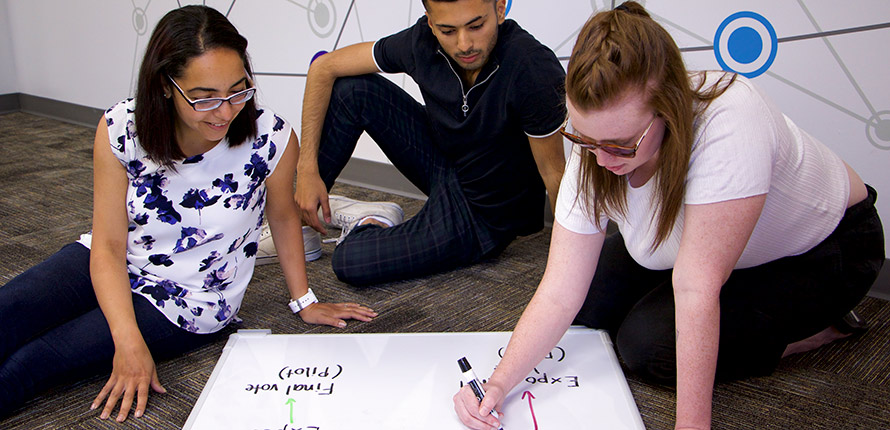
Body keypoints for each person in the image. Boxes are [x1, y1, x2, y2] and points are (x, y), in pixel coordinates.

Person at [453, 3, 885, 429]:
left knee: (649, 347)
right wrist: (497, 383)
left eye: (621, 144)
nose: (601, 160)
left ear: (669, 108)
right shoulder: (600, 142)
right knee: (589, 304)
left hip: (826, 250)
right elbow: (559, 291)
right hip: (710, 247)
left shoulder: (730, 120)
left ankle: (823, 328)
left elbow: (697, 287)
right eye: (585, 139)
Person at [0, 6, 376, 422]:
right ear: (165, 86)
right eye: (204, 97)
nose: (225, 111)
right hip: (120, 258)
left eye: (238, 90)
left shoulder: (271, 137)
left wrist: (304, 300)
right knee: (10, 310)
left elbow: (284, 218)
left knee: (33, 362)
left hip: (192, 298)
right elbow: (107, 244)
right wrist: (127, 343)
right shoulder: (120, 128)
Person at [261, 0, 567, 285]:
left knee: (350, 263)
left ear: (500, 9)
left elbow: (554, 174)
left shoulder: (531, 67)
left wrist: (565, 272)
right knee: (352, 91)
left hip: (481, 212)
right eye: (448, 30)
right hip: (442, 159)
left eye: (476, 26)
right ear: (430, 23)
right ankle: (299, 224)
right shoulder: (422, 42)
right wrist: (308, 168)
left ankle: (372, 219)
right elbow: (323, 68)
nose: (464, 44)